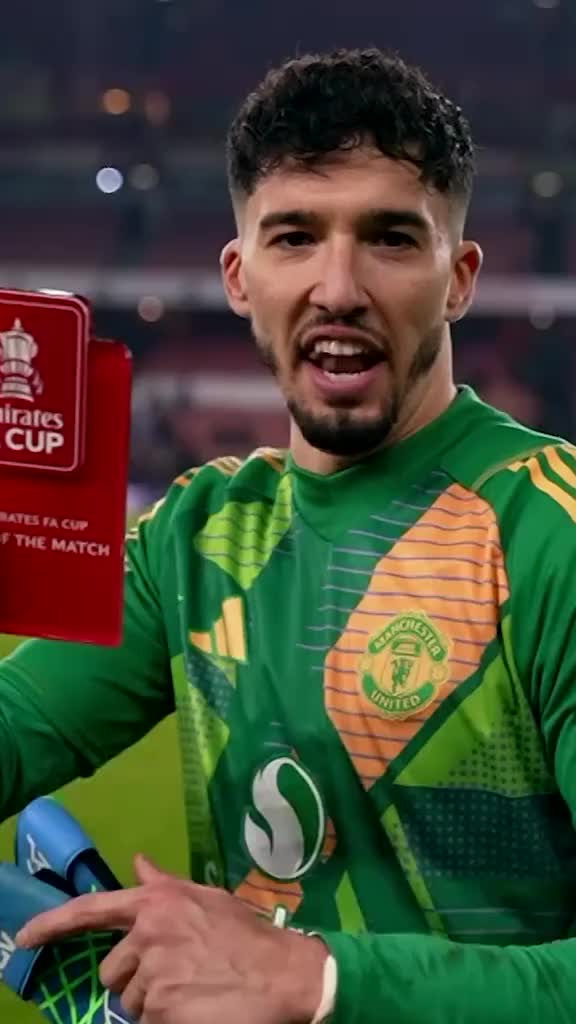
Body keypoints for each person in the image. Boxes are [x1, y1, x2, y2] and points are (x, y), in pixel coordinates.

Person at [5, 47, 576, 1024]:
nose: (339, 286)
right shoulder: (193, 537)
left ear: (459, 278)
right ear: (239, 275)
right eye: (295, 237)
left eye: (391, 238)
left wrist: (316, 980)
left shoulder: (548, 532)